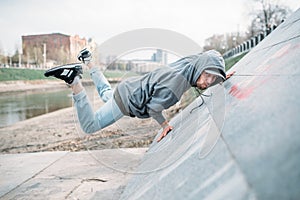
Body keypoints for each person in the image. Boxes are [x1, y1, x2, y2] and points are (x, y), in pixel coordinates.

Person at [44, 49, 234, 142]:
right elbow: (153, 108)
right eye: (208, 76)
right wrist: (165, 125)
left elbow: (206, 59)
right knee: (89, 126)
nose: (208, 82)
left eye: (213, 78)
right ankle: (73, 80)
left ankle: (88, 61)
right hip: (127, 101)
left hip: (128, 88)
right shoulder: (177, 85)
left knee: (106, 93)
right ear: (201, 68)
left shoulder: (192, 63)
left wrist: (221, 77)